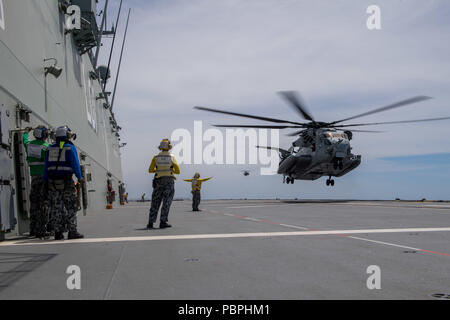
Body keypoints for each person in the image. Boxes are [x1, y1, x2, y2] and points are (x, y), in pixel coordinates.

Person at [44, 126, 84, 240]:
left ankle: (58, 232)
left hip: (52, 182)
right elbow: (75, 164)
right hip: (66, 182)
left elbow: (46, 167)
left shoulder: (49, 149)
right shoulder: (70, 148)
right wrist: (79, 177)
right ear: (66, 135)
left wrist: (46, 180)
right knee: (70, 206)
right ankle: (72, 231)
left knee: (56, 207)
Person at [147, 139, 180, 229]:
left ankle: (150, 223)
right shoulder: (172, 157)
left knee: (155, 202)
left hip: (158, 181)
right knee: (166, 202)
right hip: (169, 181)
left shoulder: (156, 157)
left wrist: (157, 170)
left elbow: (150, 170)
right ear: (169, 147)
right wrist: (170, 170)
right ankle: (163, 222)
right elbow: (178, 171)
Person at [23, 126, 50, 237]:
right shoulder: (46, 147)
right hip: (44, 179)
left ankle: (33, 230)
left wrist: (25, 132)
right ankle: (42, 230)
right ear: (44, 135)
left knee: (34, 204)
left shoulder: (29, 146)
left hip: (34, 179)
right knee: (44, 203)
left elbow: (25, 140)